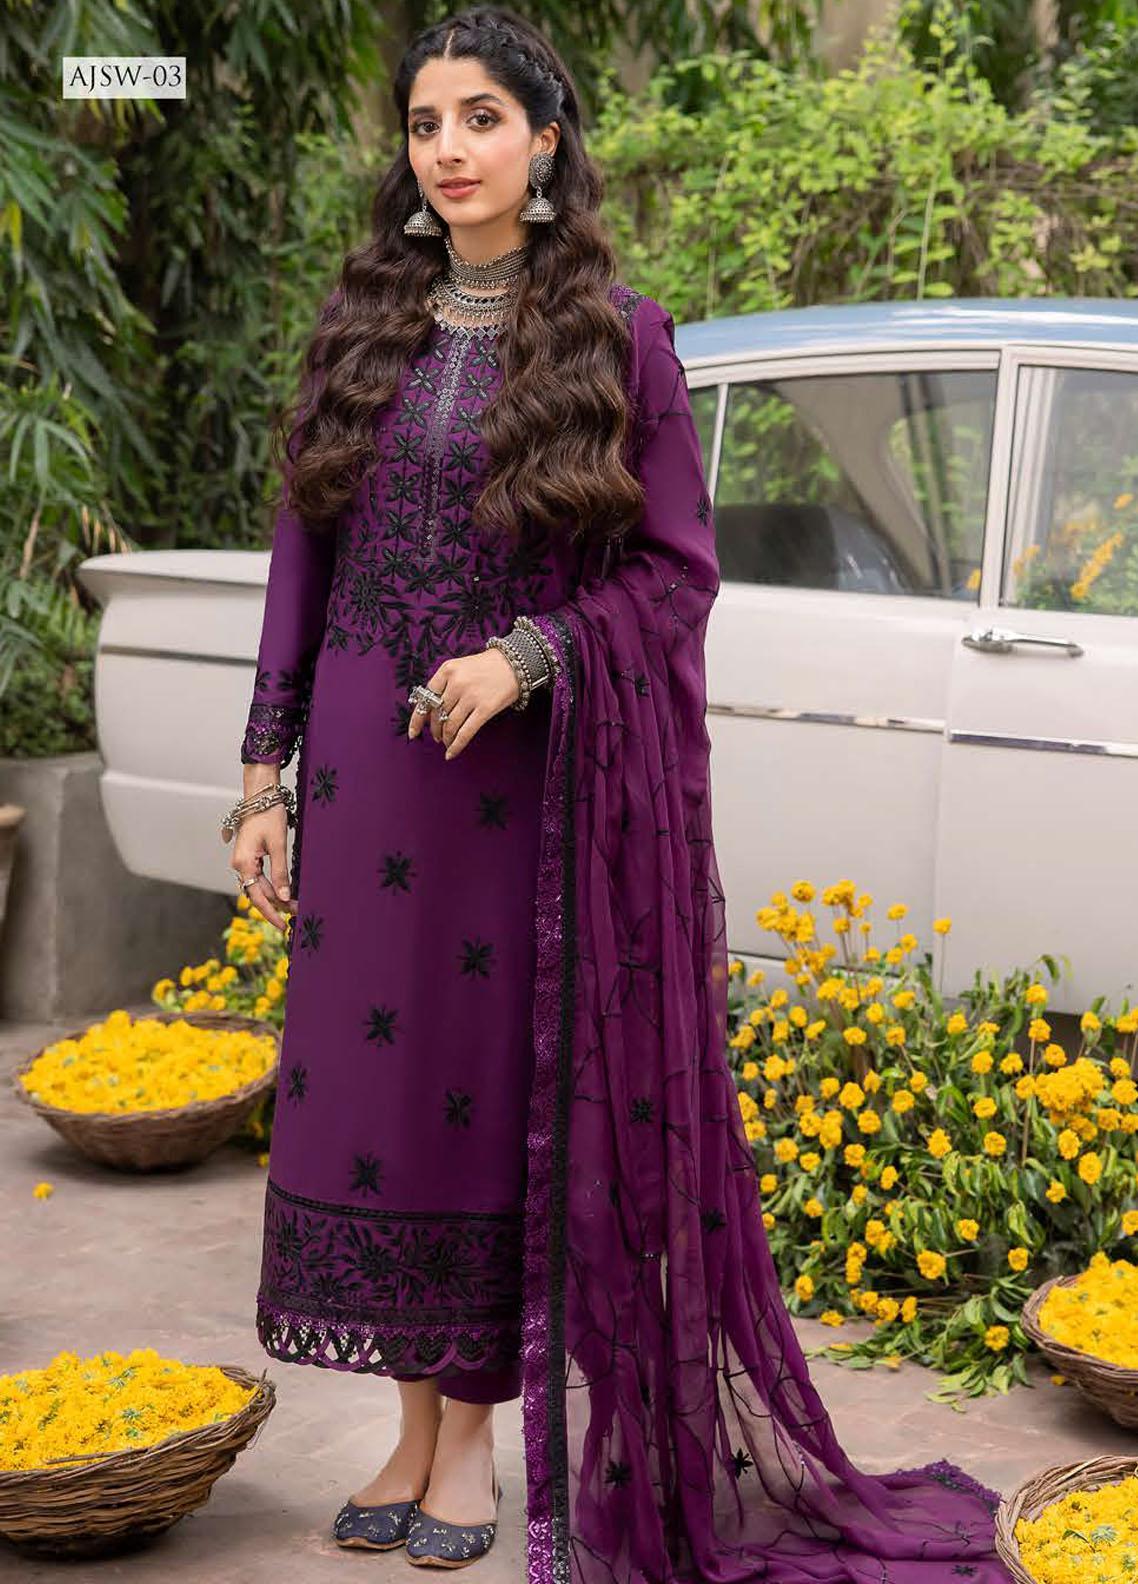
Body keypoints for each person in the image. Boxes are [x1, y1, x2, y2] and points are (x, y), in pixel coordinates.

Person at [226, 6, 1014, 1579]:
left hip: (510, 796)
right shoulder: (364, 327)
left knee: (474, 1102)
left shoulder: (614, 336)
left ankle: (467, 1441)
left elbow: (672, 574)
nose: (448, 149)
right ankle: (407, 1425)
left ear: (545, 139)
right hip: (367, 781)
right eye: (425, 123)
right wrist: (265, 774)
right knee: (372, 1106)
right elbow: (303, 552)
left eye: (480, 119)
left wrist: (528, 657)